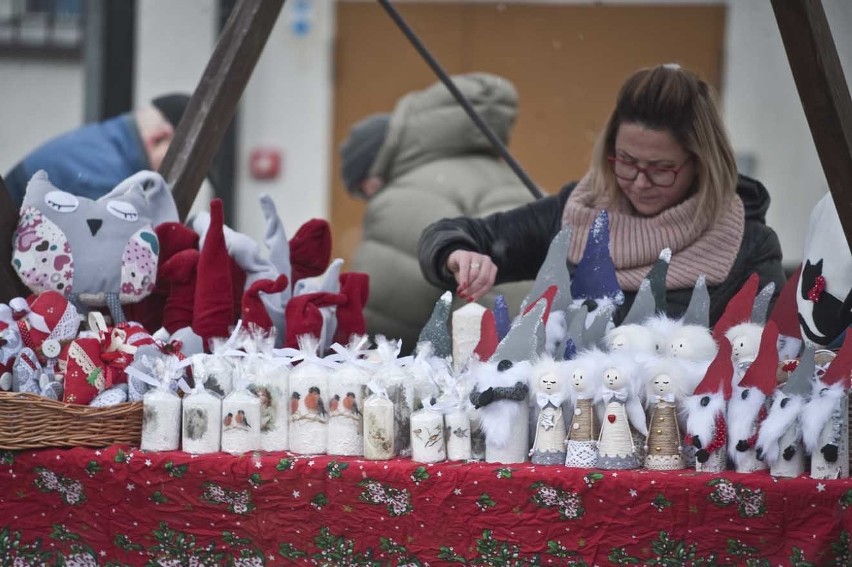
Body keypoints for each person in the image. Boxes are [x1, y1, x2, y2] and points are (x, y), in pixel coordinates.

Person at [418, 64, 786, 326]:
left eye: (661, 168)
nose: (640, 182)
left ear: (703, 162)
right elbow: (461, 234)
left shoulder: (748, 246)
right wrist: (457, 253)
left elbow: (770, 358)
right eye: (626, 161)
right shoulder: (576, 214)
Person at [340, 72, 535, 354]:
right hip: (542, 364)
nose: (367, 197)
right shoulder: (518, 181)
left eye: (362, 189)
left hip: (462, 378)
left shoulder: (406, 195)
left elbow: (382, 324)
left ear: (374, 173)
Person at [3, 93, 204, 206]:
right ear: (159, 137)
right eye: (185, 164)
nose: (180, 177)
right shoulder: (106, 182)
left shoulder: (102, 144)